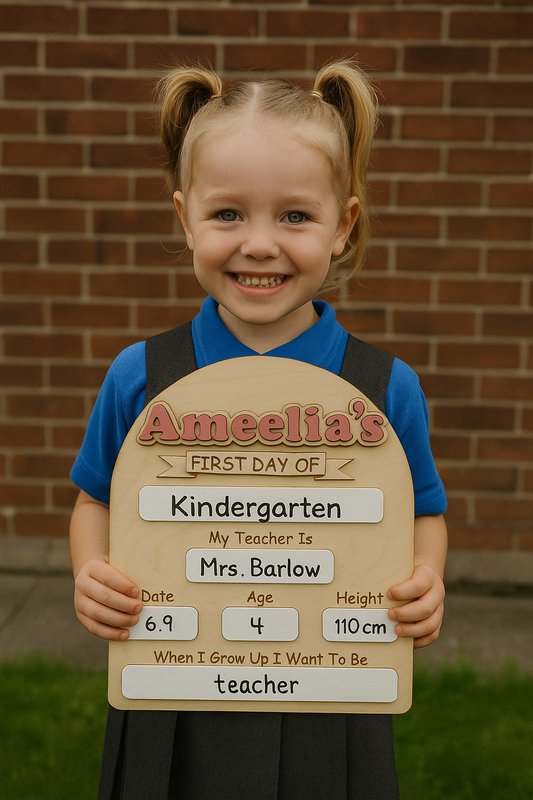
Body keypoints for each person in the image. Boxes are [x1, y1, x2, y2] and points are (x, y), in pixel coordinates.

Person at [70, 60, 447, 800]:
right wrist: (90, 573)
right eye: (228, 214)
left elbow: (422, 512)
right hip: (173, 691)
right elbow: (95, 498)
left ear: (343, 225)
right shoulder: (140, 376)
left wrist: (425, 580)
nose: (260, 243)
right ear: (185, 218)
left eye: (295, 216)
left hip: (328, 692)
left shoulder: (383, 389)